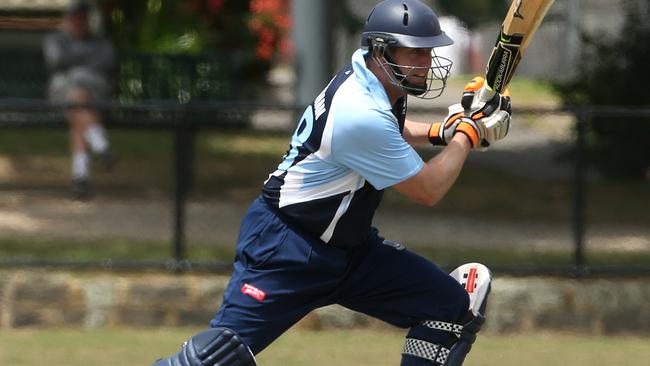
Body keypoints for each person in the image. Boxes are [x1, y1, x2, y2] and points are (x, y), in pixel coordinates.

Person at [153, 0, 511, 365]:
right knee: (218, 357)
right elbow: (429, 188)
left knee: (449, 308)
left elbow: (388, 131)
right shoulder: (359, 112)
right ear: (382, 51)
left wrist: (441, 131)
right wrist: (468, 132)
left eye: (428, 52)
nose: (426, 63)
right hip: (287, 250)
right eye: (415, 53)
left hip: (351, 253)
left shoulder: (371, 81)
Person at [43, 0, 116, 200]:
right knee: (79, 102)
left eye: (83, 18)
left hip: (93, 94)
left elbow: (107, 60)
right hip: (62, 94)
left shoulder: (100, 41)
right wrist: (86, 61)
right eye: (76, 17)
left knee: (78, 108)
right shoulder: (56, 40)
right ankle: (100, 144)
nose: (80, 22)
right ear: (68, 19)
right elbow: (57, 59)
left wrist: (74, 63)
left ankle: (81, 179)